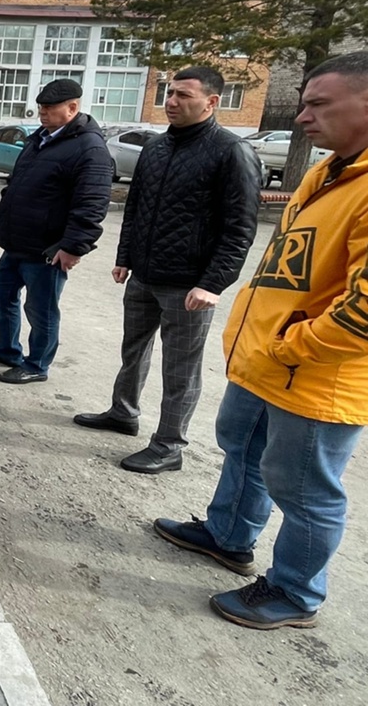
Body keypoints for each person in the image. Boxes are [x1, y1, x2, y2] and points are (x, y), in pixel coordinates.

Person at [153, 52, 368, 629]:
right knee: (242, 450)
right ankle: (228, 535)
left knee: (303, 489)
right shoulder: (328, 174)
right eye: (302, 104)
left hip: (317, 376)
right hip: (268, 360)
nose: (301, 118)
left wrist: (293, 346)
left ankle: (297, 594)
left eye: (318, 105)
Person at [73, 66, 261, 472]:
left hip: (189, 285)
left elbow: (240, 227)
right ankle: (123, 412)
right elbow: (135, 209)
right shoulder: (156, 148)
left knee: (181, 367)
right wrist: (125, 256)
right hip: (144, 274)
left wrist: (213, 283)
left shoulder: (231, 151)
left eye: (183, 96)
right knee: (133, 349)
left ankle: (169, 444)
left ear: (212, 102)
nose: (171, 102)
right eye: (169, 93)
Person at [0, 79, 112, 384]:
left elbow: (91, 204)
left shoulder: (89, 148)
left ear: (73, 108)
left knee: (41, 309)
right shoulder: (40, 138)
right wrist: (3, 211)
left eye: (50, 108)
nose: (43, 113)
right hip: (17, 241)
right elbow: (18, 181)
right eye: (41, 108)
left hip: (49, 248)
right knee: (2, 291)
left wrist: (74, 246)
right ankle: (8, 349)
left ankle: (37, 364)